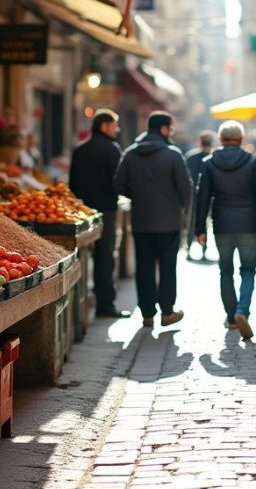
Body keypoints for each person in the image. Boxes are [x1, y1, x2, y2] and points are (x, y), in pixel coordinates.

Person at [195, 121, 256, 340]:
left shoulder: (208, 163)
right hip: (249, 225)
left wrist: (199, 228)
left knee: (225, 271)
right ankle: (242, 311)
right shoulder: (253, 161)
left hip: (222, 225)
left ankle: (231, 318)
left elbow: (202, 197)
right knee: (248, 271)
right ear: (241, 139)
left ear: (221, 140)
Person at [113, 111, 191, 328]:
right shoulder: (173, 154)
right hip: (169, 221)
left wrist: (136, 194)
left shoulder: (130, 153)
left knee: (144, 266)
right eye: (171, 129)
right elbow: (186, 188)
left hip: (141, 221)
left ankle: (147, 313)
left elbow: (118, 185)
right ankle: (167, 312)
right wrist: (184, 212)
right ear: (164, 129)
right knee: (167, 267)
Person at [68, 110, 130, 319]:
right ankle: (105, 305)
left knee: (81, 258)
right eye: (115, 125)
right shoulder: (112, 149)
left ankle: (79, 307)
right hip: (106, 211)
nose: (117, 129)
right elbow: (119, 181)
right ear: (104, 126)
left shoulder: (79, 150)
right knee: (105, 257)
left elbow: (72, 184)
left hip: (81, 212)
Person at [184, 131, 215, 260]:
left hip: (191, 195)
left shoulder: (191, 156)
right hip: (208, 196)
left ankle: (189, 249)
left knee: (191, 223)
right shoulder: (212, 158)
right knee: (205, 222)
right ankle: (203, 250)